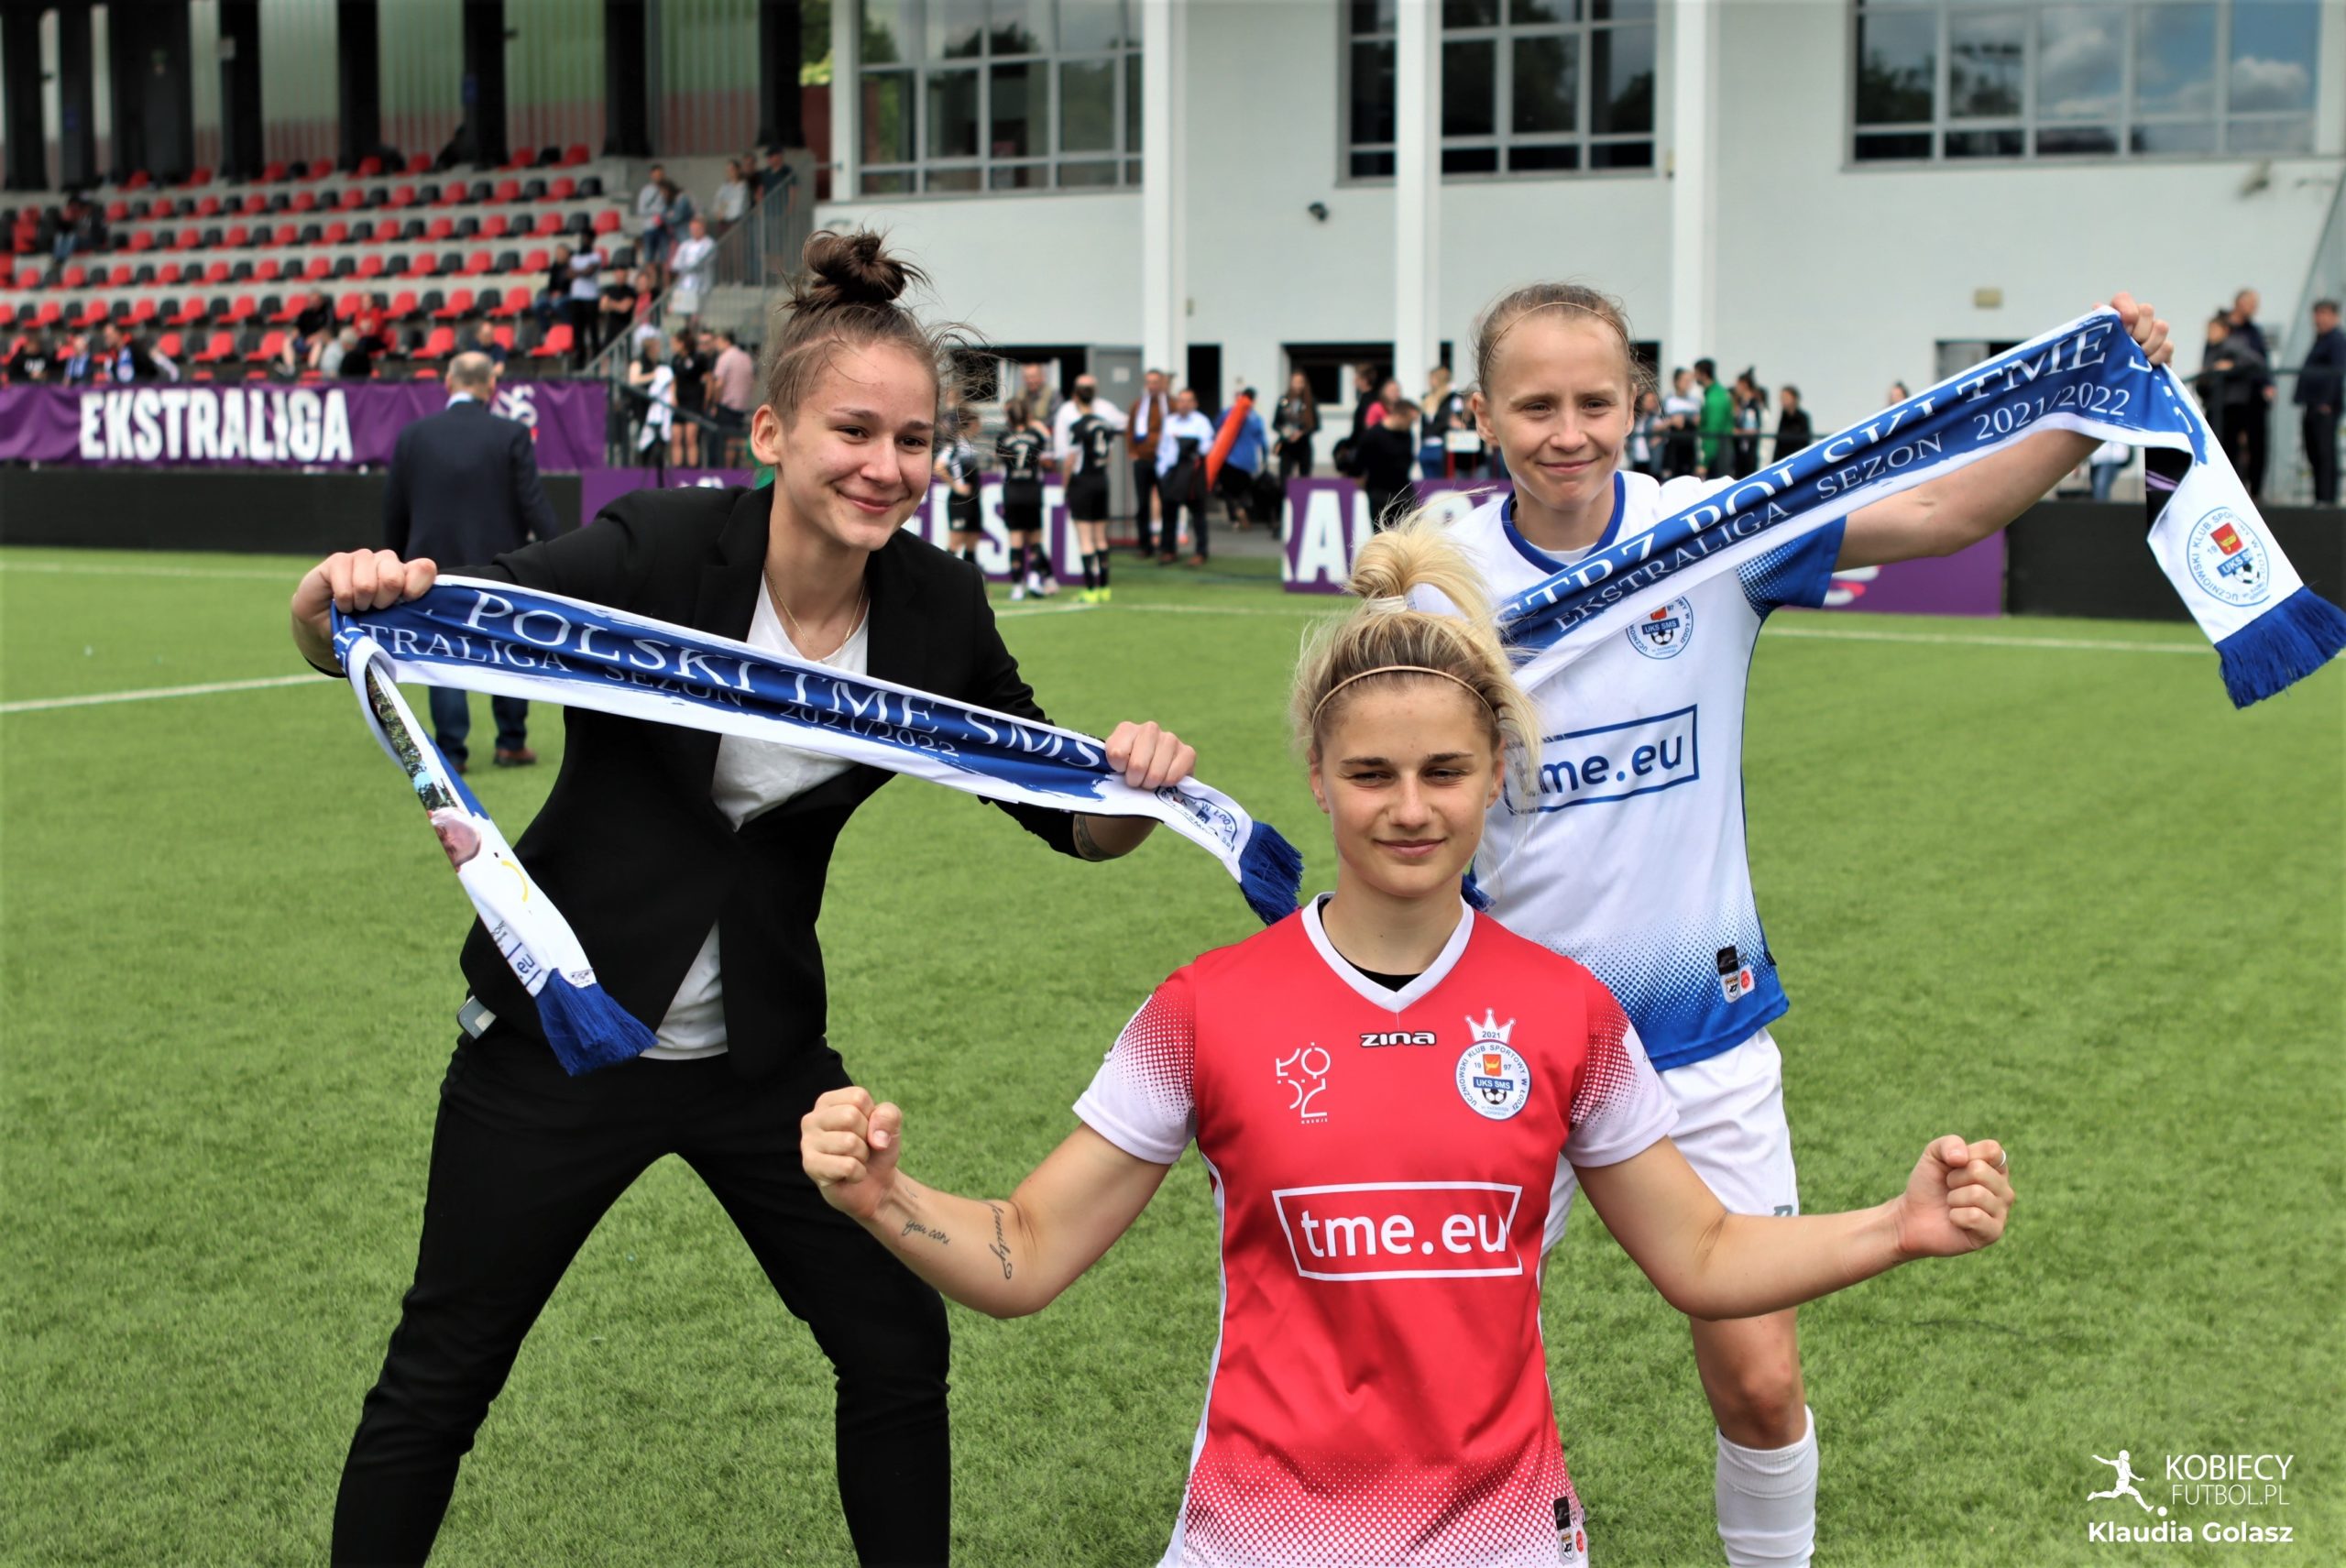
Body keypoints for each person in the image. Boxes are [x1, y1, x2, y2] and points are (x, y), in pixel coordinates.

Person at [800, 519, 2015, 1568]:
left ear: (1496, 775)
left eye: (1445, 770)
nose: (1411, 806)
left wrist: (1897, 1225)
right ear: (1319, 778)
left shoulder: (1568, 1012)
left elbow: (1701, 1252)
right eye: (1372, 772)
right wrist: (883, 1195)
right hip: (1256, 1538)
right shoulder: (1208, 1006)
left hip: (1503, 1540)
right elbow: (1025, 1251)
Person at [300, 230, 1199, 1568]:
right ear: (772, 431)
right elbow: (416, 628)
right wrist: (335, 602)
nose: (885, 466)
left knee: (894, 1341)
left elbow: (1061, 813)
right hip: (561, 1034)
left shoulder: (934, 606)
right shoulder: (660, 546)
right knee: (443, 1368)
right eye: (854, 431)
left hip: (761, 1060)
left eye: (913, 441)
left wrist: (1138, 789)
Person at [1442, 279, 2165, 1568]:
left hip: (1700, 1034)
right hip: (1503, 1045)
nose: (1568, 431)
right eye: (1535, 405)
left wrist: (2091, 410)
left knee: (1761, 1382)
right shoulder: (1439, 585)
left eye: (1595, 400)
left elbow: (1940, 511)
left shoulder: (1710, 530)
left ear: (1638, 402)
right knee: (1451, 1379)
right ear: (1483, 413)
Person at [378, 349, 560, 773]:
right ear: (491, 386)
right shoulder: (512, 433)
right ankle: (511, 743)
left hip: (432, 569)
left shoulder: (414, 435)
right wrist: (557, 553)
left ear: (448, 383)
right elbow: (534, 504)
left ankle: (452, 751)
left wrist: (395, 560)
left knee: (442, 657)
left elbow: (394, 509)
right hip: (501, 566)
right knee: (509, 650)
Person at [1058, 376, 1127, 602]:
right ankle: (1105, 587)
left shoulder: (1077, 426)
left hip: (1083, 482)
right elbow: (1109, 455)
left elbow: (1070, 459)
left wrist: (1065, 485)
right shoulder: (1106, 425)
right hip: (1101, 480)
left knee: (1085, 538)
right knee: (1101, 538)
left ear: (1076, 398)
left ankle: (1090, 589)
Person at [996, 397, 1055, 599]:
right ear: (1028, 414)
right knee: (1035, 539)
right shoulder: (1036, 436)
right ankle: (1034, 578)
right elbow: (1048, 459)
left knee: (1016, 539)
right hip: (1032, 491)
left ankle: (1017, 586)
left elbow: (999, 462)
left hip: (1012, 492)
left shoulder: (1003, 437)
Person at [1154, 387, 1217, 565]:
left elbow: (1206, 447)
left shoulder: (1201, 422)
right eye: (1181, 401)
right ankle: (1168, 550)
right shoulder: (1169, 422)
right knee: (1169, 511)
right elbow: (1163, 447)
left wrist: (1187, 446)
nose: (1184, 404)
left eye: (1188, 401)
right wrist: (1162, 469)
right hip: (1172, 471)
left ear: (1194, 403)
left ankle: (1201, 552)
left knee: (1197, 513)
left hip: (1192, 472)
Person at [2223, 288, 2274, 497]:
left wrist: (2268, 384)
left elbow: (2263, 361)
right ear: (2239, 303)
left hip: (2254, 397)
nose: (2254, 308)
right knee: (2228, 445)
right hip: (2229, 399)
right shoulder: (2223, 327)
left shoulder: (2255, 332)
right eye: (2251, 303)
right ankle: (2229, 491)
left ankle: (2256, 492)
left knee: (2257, 445)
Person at [2296, 297, 2341, 505]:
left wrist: (2327, 402)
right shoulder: (2319, 340)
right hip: (2312, 404)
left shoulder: (2336, 340)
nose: (2319, 319)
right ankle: (2320, 497)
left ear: (2334, 316)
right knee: (2313, 452)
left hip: (2325, 407)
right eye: (2317, 313)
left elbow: (2337, 372)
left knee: (2325, 453)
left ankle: (2327, 499)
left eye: (2324, 313)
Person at [1355, 398, 1418, 532]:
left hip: (1404, 491)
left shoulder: (1407, 434)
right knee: (1382, 535)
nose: (1411, 425)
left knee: (1412, 533)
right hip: (1380, 493)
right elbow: (1359, 465)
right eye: (1410, 421)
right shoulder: (1372, 436)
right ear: (1399, 416)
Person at [1126, 367, 1170, 557]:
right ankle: (1145, 545)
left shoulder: (1170, 404)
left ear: (1162, 384)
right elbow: (1130, 430)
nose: (1152, 386)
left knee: (1167, 503)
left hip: (1164, 461)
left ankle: (1167, 546)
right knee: (1143, 504)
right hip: (1143, 460)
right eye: (1149, 382)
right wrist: (1133, 452)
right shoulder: (1138, 405)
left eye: (1155, 382)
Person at [936, 405, 985, 567]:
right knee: (956, 542)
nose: (980, 426)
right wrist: (956, 486)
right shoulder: (954, 446)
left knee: (972, 541)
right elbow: (939, 467)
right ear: (970, 424)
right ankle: (942, 576)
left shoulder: (970, 446)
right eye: (978, 423)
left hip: (973, 499)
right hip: (959, 501)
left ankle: (971, 579)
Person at [1215, 389, 1271, 529]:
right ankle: (1243, 509)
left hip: (1229, 459)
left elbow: (1216, 428)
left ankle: (1235, 515)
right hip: (1248, 461)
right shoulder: (1255, 418)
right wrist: (1265, 458)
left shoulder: (1228, 413)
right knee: (1244, 490)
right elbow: (1262, 441)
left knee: (1228, 490)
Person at [708, 327, 758, 466]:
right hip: (743, 405)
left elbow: (719, 384)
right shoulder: (745, 357)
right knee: (739, 439)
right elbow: (752, 380)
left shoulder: (725, 358)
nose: (716, 344)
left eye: (718, 341)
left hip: (728, 405)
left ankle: (728, 471)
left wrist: (715, 403)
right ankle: (746, 468)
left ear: (726, 341)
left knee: (729, 441)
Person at [669, 326, 711, 467]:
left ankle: (692, 470)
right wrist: (673, 397)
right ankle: (677, 469)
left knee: (690, 438)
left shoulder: (698, 358)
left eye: (675, 343)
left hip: (693, 402)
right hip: (680, 402)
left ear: (682, 343)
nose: (672, 346)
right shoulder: (675, 360)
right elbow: (674, 380)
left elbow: (709, 379)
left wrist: (706, 399)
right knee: (676, 437)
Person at [628, 339, 674, 462]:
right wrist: (654, 375)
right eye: (655, 347)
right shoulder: (638, 362)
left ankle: (657, 463)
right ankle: (641, 462)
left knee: (660, 438)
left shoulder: (660, 364)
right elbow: (633, 380)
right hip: (640, 407)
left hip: (657, 408)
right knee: (642, 438)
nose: (658, 350)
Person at [670, 216, 718, 318]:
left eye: (697, 229)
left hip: (701, 284)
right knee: (683, 312)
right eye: (692, 229)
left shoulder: (709, 244)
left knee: (697, 314)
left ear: (703, 229)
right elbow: (676, 264)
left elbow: (701, 263)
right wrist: (686, 267)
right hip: (684, 283)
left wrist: (687, 266)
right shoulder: (685, 245)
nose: (694, 231)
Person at [1274, 369, 1319, 478]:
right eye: (1295, 382)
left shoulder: (1310, 402)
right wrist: (1285, 432)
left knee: (1304, 479)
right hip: (1287, 446)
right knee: (1284, 478)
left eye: (1300, 382)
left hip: (1304, 445)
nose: (1298, 385)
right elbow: (1276, 423)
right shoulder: (1284, 401)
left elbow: (1316, 425)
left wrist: (1301, 433)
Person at [1661, 367, 1702, 478]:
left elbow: (1699, 421)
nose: (1688, 384)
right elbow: (1660, 423)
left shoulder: (1695, 402)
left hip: (1690, 445)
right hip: (1674, 446)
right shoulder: (1669, 401)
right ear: (1676, 381)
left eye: (1690, 381)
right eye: (1685, 380)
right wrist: (1672, 421)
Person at [565, 246, 603, 362]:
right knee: (578, 331)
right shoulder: (574, 258)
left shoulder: (595, 256)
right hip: (577, 297)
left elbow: (589, 272)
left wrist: (577, 272)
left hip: (591, 297)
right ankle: (580, 359)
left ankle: (596, 356)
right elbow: (569, 274)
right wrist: (582, 271)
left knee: (593, 329)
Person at [1694, 357, 1732, 477]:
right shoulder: (1717, 393)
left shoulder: (1714, 398)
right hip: (1720, 451)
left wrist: (1704, 462)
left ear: (1704, 374)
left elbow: (1713, 430)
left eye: (1696, 373)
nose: (1694, 377)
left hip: (1717, 455)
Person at [1773, 384, 1814, 461]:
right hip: (1783, 458)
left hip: (1798, 458)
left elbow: (1806, 441)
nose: (1783, 401)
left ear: (1794, 398)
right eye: (1782, 398)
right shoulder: (1783, 417)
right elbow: (1779, 443)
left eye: (1786, 398)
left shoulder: (1803, 418)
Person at [712, 158, 751, 225]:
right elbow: (720, 200)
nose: (730, 172)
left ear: (738, 170)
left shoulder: (743, 186)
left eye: (732, 169)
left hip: (739, 221)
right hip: (725, 221)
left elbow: (743, 204)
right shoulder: (724, 187)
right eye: (728, 170)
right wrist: (719, 212)